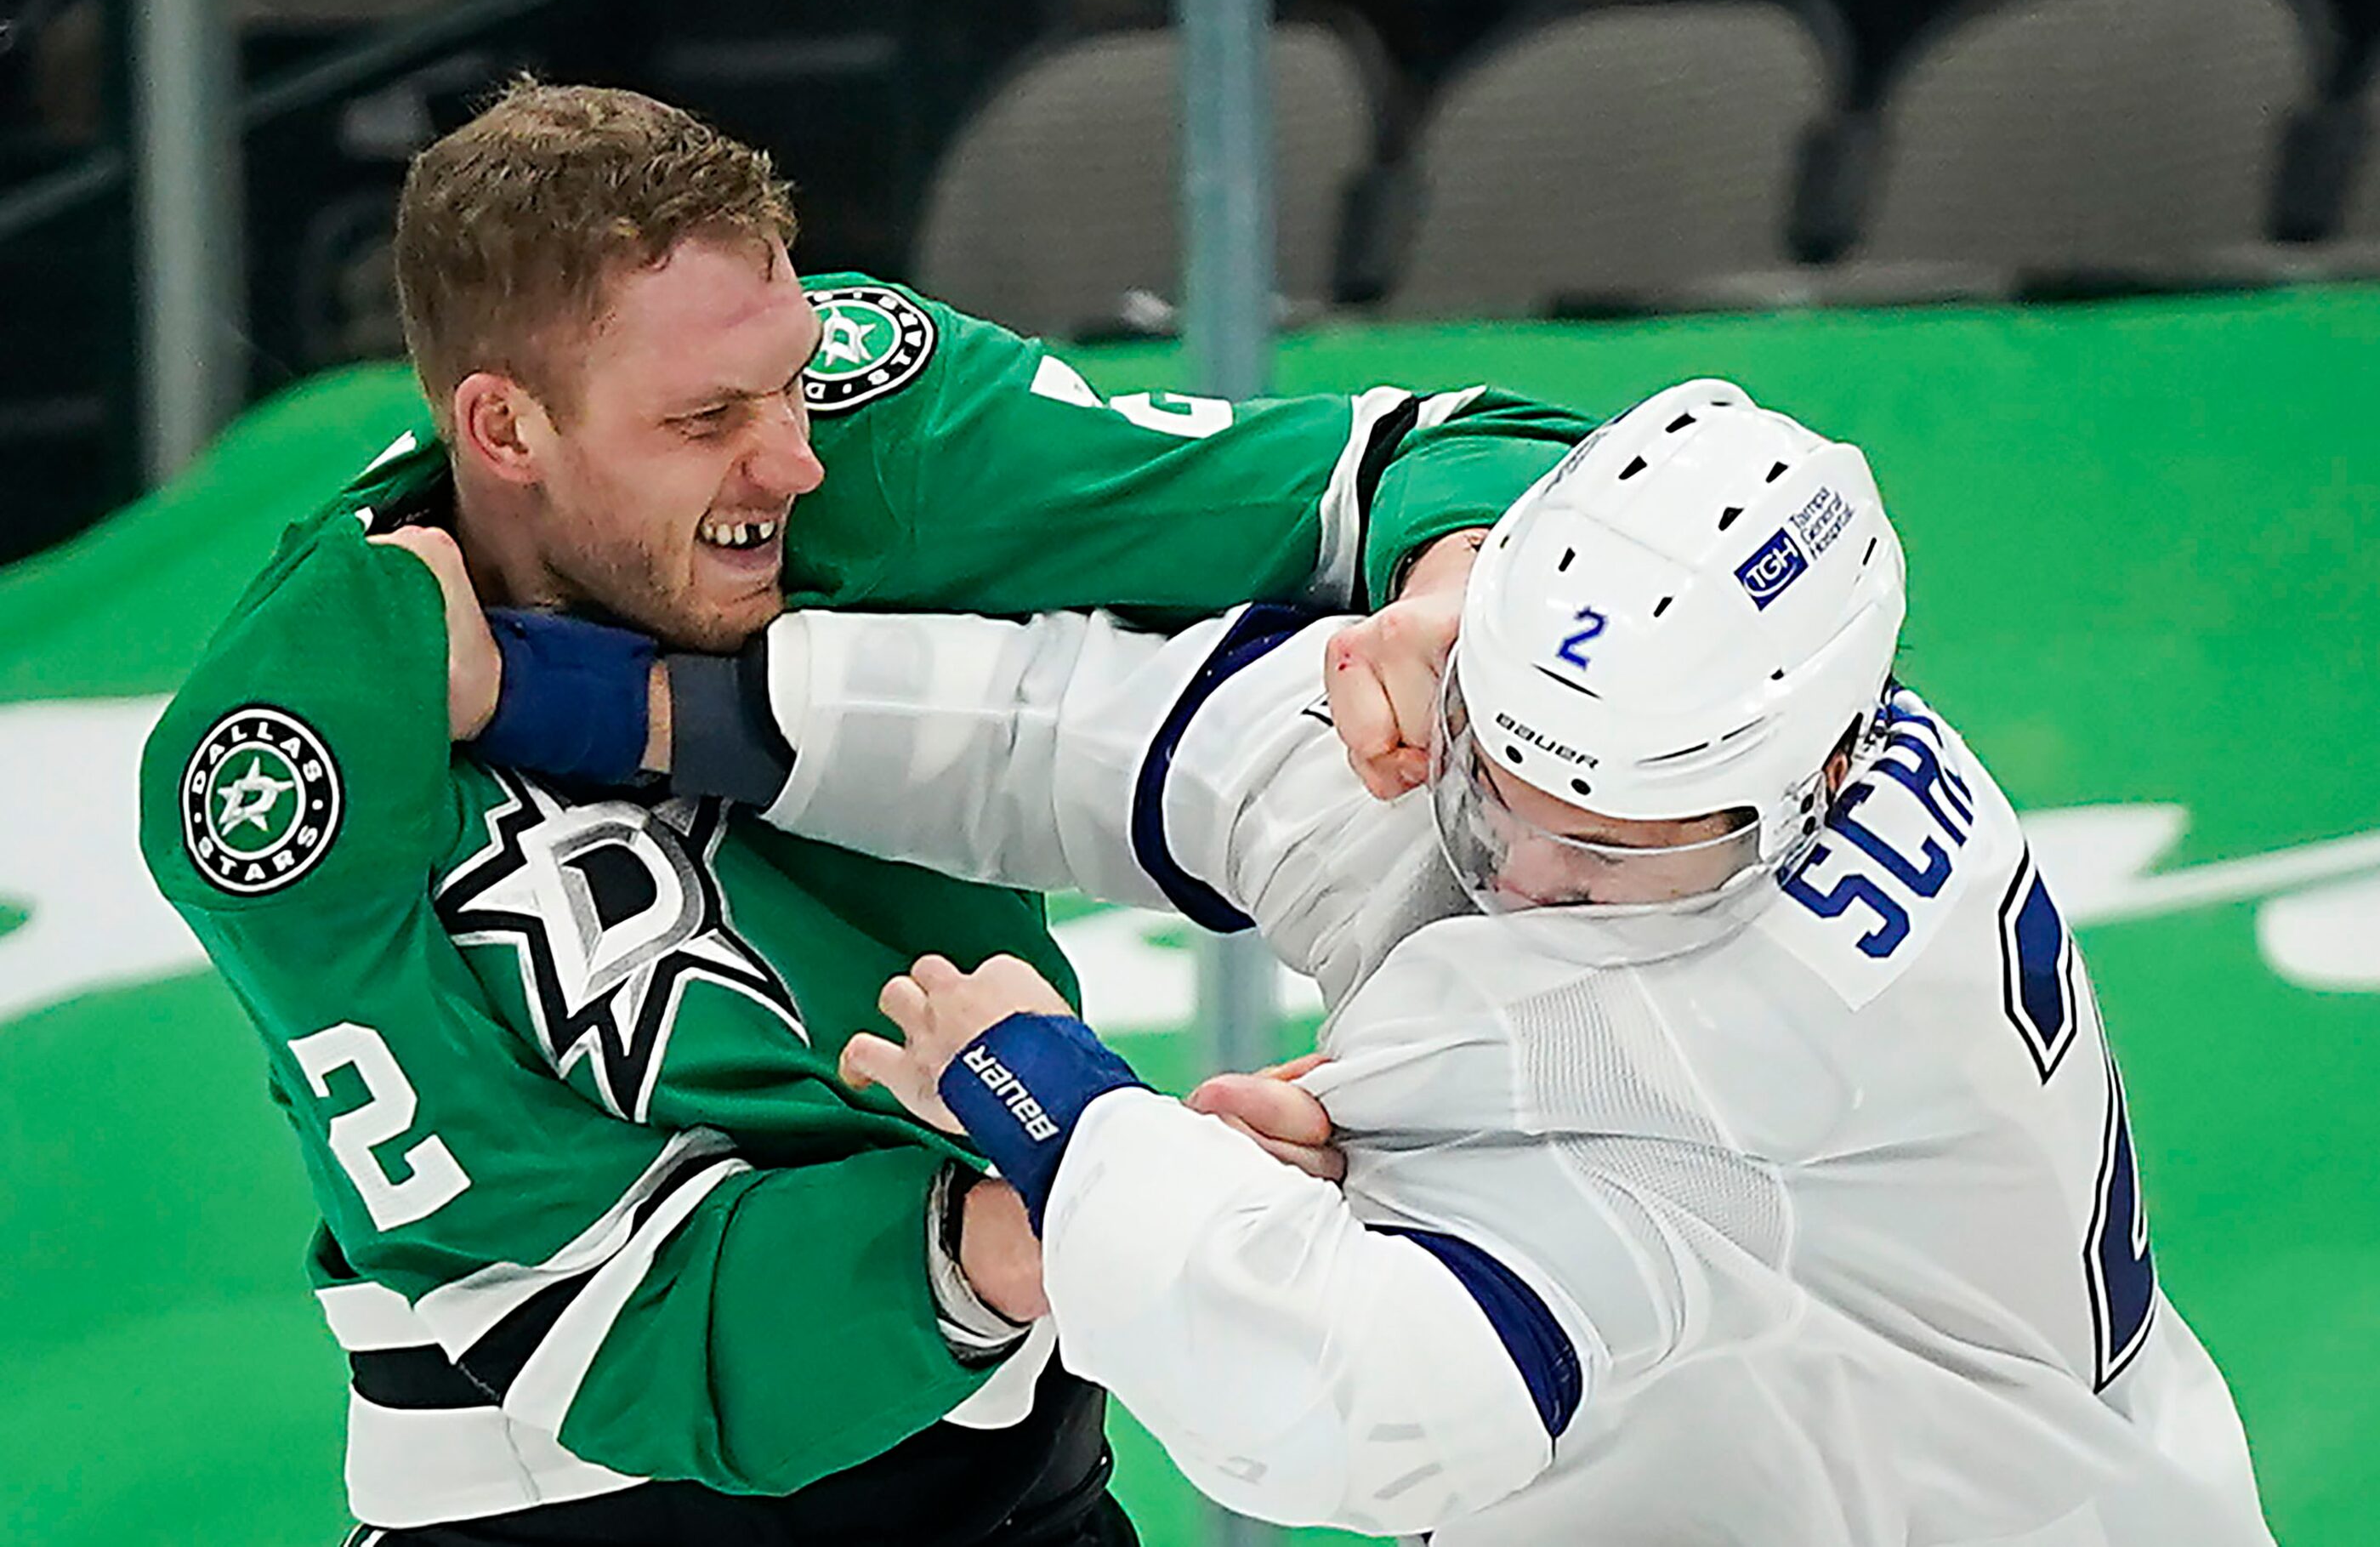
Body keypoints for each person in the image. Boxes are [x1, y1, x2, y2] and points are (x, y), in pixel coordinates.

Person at [135, 79, 1579, 1545]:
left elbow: (1467, 449)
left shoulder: (879, 427)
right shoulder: (282, 762)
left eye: (792, 382)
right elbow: (599, 1328)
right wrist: (1041, 1225)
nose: (792, 462)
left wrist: (1461, 583)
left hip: (1020, 1477)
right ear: (505, 425)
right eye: (705, 419)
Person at [482, 380, 2275, 1542]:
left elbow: (1348, 1405)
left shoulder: (1714, 1039)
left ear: (1806, 773)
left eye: (1611, 844)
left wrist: (1065, 1117)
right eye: (1506, 794)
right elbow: (1109, 735)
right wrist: (598, 695)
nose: (1535, 883)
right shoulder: (1720, 747)